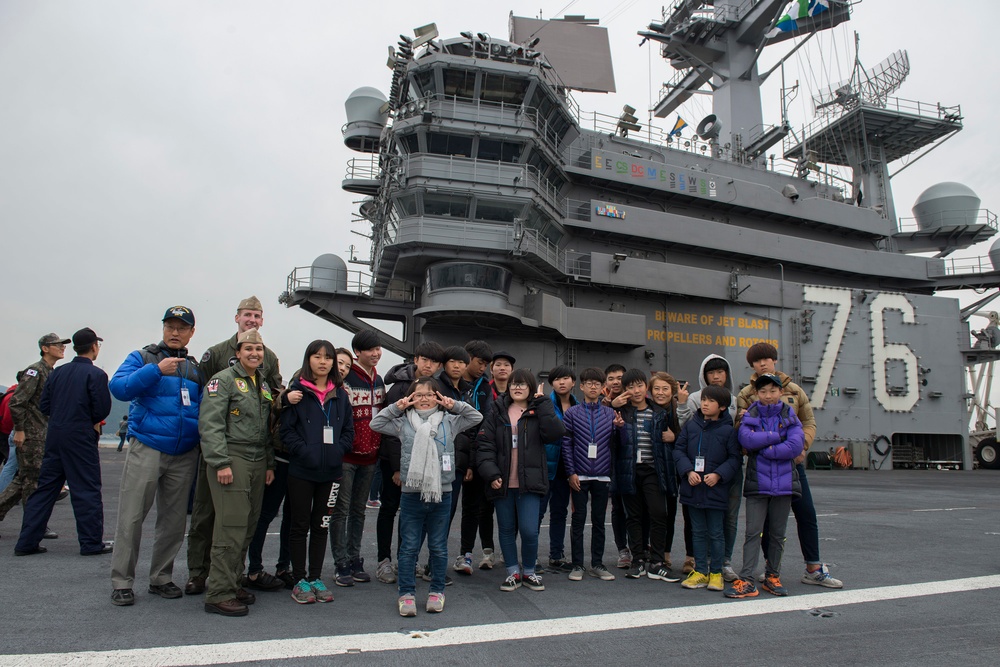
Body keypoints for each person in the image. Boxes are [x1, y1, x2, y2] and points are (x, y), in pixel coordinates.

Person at [186, 296, 285, 596]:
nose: (252, 320)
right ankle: (200, 575)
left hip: (254, 453)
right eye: (247, 315)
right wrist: (218, 457)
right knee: (207, 515)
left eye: (257, 315)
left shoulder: (269, 360)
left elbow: (270, 403)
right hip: (223, 452)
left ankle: (229, 578)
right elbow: (206, 402)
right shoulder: (216, 356)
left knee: (242, 521)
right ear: (237, 318)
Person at [108, 306, 205, 607]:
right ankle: (122, 581)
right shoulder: (142, 358)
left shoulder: (194, 369)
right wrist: (155, 371)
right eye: (170, 326)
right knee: (132, 516)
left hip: (183, 453)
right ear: (163, 329)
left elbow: (202, 409)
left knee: (174, 522)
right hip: (148, 447)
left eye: (182, 327)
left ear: (191, 332)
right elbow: (119, 388)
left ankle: (161, 577)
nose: (175, 332)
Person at [371, 377, 482, 616]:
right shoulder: (403, 423)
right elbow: (376, 423)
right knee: (409, 546)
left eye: (430, 394)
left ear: (438, 397)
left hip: (442, 491)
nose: (424, 399)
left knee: (438, 547)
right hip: (412, 493)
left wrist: (454, 405)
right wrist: (397, 407)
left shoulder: (450, 421)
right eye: (418, 394)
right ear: (411, 397)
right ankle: (406, 593)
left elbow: (476, 417)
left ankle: (436, 591)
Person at [737, 342, 842, 588]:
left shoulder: (794, 390)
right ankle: (769, 570)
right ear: (752, 365)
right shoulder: (746, 394)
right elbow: (741, 430)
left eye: (767, 358)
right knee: (764, 523)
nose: (762, 363)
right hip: (762, 468)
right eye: (757, 360)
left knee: (806, 513)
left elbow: (808, 421)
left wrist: (802, 448)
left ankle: (813, 567)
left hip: (792, 465)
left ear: (775, 360)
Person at [14, 328, 112, 556]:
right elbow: (101, 409)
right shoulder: (96, 375)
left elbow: (44, 405)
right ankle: (90, 542)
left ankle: (26, 542)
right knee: (86, 488)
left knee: (45, 488)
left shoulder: (56, 373)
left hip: (54, 435)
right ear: (94, 347)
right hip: (80, 435)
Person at [198, 329, 276, 616]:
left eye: (259, 349)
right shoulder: (223, 381)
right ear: (238, 352)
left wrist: (269, 463)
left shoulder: (261, 384)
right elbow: (211, 424)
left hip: (257, 459)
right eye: (248, 349)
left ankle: (232, 582)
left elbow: (266, 429)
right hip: (233, 456)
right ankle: (218, 592)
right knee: (230, 527)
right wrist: (220, 462)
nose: (254, 353)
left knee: (247, 526)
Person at [279, 340, 354, 605]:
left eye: (328, 357)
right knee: (299, 525)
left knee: (321, 525)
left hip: (331, 472)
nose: (323, 361)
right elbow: (285, 430)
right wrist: (304, 451)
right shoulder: (297, 392)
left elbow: (348, 431)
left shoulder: (341, 395)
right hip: (301, 471)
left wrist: (337, 452)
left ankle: (315, 577)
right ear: (308, 359)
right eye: (316, 356)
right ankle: (300, 580)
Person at [477, 369, 565, 592]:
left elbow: (555, 433)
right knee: (506, 529)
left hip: (530, 481)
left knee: (529, 530)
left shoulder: (539, 410)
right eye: (514, 384)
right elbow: (485, 445)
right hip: (503, 481)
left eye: (522, 384)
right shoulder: (497, 411)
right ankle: (512, 572)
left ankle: (529, 571)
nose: (517, 387)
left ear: (530, 387)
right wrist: (492, 473)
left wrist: (544, 404)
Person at [725, 373, 804, 599]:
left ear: (780, 392)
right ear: (757, 394)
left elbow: (795, 445)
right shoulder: (751, 413)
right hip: (758, 483)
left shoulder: (790, 414)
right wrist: (777, 437)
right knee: (753, 533)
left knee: (778, 534)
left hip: (785, 484)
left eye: (772, 391)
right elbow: (746, 440)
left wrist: (766, 448)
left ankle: (772, 576)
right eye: (763, 391)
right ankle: (747, 579)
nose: (768, 396)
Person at [375, 341, 445, 584]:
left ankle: (408, 560)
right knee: (389, 509)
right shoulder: (399, 389)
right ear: (416, 359)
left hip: (423, 461)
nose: (429, 365)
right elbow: (393, 432)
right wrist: (397, 468)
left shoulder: (435, 387)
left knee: (410, 515)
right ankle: (384, 560)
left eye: (434, 362)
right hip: (396, 462)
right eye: (425, 359)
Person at [0, 333, 70, 540]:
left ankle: (34, 524)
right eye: (58, 345)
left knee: (23, 481)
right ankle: (34, 527)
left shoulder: (50, 372)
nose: (62, 347)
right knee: (33, 482)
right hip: (32, 435)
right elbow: (17, 402)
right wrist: (20, 430)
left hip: (43, 434)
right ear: (45, 348)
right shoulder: (35, 371)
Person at [673, 384, 740, 593]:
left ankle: (717, 572)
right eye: (703, 400)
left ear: (722, 407)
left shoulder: (729, 431)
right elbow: (679, 450)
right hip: (693, 488)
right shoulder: (691, 426)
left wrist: (718, 474)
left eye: (710, 401)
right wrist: (687, 472)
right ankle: (701, 571)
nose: (704, 403)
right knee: (698, 532)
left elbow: (735, 458)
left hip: (715, 490)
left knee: (716, 533)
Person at [331, 329, 385, 587]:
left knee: (358, 511)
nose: (376, 353)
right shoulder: (346, 377)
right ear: (358, 353)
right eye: (370, 349)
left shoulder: (380, 380)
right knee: (340, 511)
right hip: (346, 456)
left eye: (378, 349)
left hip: (370, 456)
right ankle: (340, 562)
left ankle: (355, 558)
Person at [614, 369, 678, 583]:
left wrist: (674, 437)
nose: (636, 390)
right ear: (625, 390)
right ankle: (638, 559)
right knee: (633, 516)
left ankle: (657, 562)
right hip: (630, 469)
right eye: (631, 387)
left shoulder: (660, 412)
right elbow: (614, 442)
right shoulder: (620, 412)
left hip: (652, 469)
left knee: (659, 513)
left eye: (640, 385)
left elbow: (677, 436)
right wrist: (613, 412)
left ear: (646, 387)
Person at [561, 367, 621, 581]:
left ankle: (598, 563)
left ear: (602, 387)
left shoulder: (611, 414)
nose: (593, 386)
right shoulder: (572, 413)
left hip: (602, 476)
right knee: (578, 520)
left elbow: (617, 445)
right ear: (582, 386)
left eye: (597, 383)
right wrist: (571, 472)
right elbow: (566, 445)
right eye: (589, 383)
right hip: (580, 476)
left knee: (598, 521)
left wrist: (620, 429)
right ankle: (577, 565)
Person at [454, 339, 496, 576]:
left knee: (472, 507)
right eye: (479, 363)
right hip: (453, 451)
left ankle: (466, 554)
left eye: (485, 365)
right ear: (467, 357)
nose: (483, 368)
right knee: (444, 511)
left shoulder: (485, 387)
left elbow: (485, 419)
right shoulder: (453, 384)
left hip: (474, 452)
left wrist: (474, 459)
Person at [538, 365, 577, 572]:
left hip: (567, 466)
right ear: (551, 383)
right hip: (546, 465)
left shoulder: (577, 405)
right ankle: (531, 556)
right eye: (557, 379)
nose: (562, 382)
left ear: (573, 382)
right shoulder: (544, 403)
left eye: (566, 378)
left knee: (560, 511)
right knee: (538, 512)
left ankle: (556, 554)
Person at [649, 372, 687, 571]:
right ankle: (650, 551)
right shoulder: (647, 409)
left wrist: (676, 437)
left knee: (669, 512)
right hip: (652, 468)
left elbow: (691, 438)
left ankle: (666, 553)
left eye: (665, 389)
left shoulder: (679, 410)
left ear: (672, 391)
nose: (660, 393)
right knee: (653, 513)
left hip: (673, 469)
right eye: (656, 389)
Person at [601, 363, 631, 569]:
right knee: (618, 507)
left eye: (620, 377)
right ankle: (623, 549)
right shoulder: (602, 404)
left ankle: (641, 547)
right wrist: (612, 405)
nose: (616, 381)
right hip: (610, 461)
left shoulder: (638, 400)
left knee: (639, 507)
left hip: (633, 460)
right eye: (611, 378)